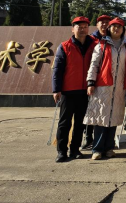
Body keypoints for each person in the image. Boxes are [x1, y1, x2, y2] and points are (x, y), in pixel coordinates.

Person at [84, 18, 126, 160]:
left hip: (120, 87)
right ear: (109, 29)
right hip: (103, 86)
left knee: (114, 117)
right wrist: (90, 82)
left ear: (123, 30)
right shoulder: (102, 44)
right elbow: (94, 64)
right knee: (101, 117)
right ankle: (97, 149)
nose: (116, 29)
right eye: (113, 27)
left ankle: (109, 148)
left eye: (119, 27)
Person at [52, 17, 98, 163]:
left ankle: (75, 149)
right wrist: (56, 89)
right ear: (73, 29)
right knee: (64, 123)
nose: (82, 29)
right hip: (68, 91)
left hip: (86, 91)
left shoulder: (95, 45)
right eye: (79, 27)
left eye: (85, 27)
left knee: (80, 123)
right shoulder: (65, 46)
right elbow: (57, 69)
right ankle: (61, 151)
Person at [83, 14, 112, 150]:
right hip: (90, 79)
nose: (105, 25)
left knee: (102, 112)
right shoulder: (91, 40)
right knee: (91, 111)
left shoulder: (113, 40)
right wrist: (90, 80)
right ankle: (88, 138)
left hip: (105, 82)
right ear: (97, 25)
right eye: (102, 22)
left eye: (107, 22)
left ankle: (103, 141)